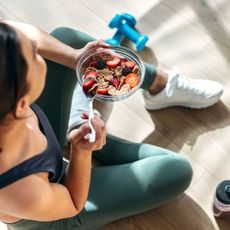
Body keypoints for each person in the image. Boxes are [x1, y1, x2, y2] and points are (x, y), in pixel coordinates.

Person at [0, 20, 221, 230]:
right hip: (60, 205)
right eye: (32, 57)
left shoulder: (8, 107)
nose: (36, 51)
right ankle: (77, 134)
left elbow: (12, 30)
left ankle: (158, 86)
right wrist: (81, 151)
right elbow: (72, 202)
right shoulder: (21, 191)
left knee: (67, 39)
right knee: (176, 169)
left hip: (40, 146)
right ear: (22, 104)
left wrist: (75, 57)